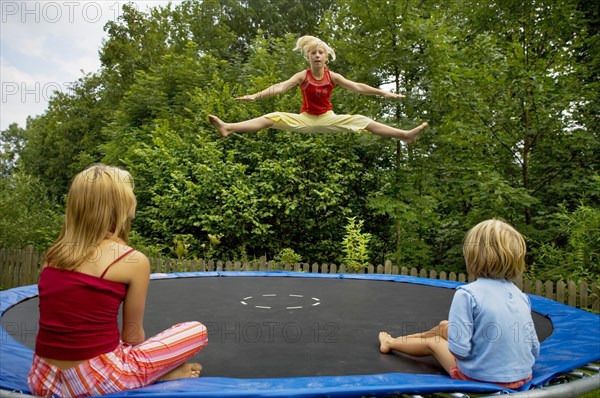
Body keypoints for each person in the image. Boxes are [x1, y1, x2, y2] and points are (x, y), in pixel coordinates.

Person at [27, 164, 208, 397]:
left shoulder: (53, 254)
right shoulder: (132, 260)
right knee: (196, 331)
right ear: (119, 205)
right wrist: (143, 362)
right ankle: (154, 376)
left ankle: (144, 374)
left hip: (43, 378)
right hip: (95, 382)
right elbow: (132, 337)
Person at [378, 219, 540, 389]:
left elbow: (460, 351)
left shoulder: (468, 294)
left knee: (434, 342)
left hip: (481, 380)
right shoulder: (521, 296)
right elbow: (534, 349)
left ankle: (390, 343)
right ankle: (399, 338)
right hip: (523, 377)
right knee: (443, 326)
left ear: (472, 257)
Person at [209, 35, 428, 141]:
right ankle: (228, 127)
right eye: (313, 52)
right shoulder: (302, 76)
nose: (316, 55)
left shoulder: (332, 76)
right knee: (271, 117)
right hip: (305, 119)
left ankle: (405, 135)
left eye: (320, 52)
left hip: (327, 117)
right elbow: (281, 87)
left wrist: (383, 92)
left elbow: (357, 87)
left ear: (326, 57)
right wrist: (255, 96)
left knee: (362, 120)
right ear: (308, 56)